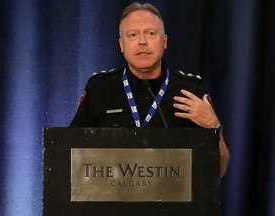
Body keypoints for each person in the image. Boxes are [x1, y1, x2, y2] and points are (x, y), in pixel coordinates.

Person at [70, 2, 229, 177]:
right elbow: (69, 156)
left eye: (151, 33)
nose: (142, 42)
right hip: (112, 200)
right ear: (121, 45)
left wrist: (214, 126)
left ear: (164, 41)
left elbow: (218, 170)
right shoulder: (99, 89)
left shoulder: (190, 91)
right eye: (132, 35)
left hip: (175, 202)